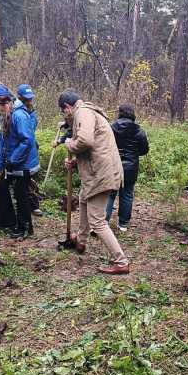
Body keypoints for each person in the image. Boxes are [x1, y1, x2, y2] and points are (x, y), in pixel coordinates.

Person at [58, 90, 130, 275]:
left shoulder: (83, 113)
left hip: (101, 174)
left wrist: (68, 143)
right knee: (83, 199)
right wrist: (76, 162)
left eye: (63, 112)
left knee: (97, 221)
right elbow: (97, 146)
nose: (65, 116)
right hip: (98, 170)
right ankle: (80, 241)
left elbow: (86, 140)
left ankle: (121, 261)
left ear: (67, 108)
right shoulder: (86, 112)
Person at [0, 84, 40, 239]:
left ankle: (25, 228)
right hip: (12, 163)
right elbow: (2, 141)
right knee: (1, 185)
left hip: (23, 164)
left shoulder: (19, 115)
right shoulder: (5, 115)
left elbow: (27, 140)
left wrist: (12, 160)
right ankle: (9, 222)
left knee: (21, 195)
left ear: (3, 102)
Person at [105, 103, 149, 231]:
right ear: (132, 114)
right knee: (127, 194)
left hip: (113, 165)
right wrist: (133, 154)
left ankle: (103, 223)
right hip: (131, 168)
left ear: (120, 113)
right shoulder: (139, 131)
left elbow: (104, 146)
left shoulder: (111, 128)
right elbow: (144, 150)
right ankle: (123, 224)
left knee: (110, 194)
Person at [15, 84, 43, 217]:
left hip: (29, 149)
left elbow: (32, 128)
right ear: (19, 97)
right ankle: (26, 207)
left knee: (28, 181)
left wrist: (31, 113)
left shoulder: (31, 111)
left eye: (30, 98)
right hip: (21, 151)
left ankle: (33, 205)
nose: (29, 101)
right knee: (21, 183)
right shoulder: (17, 112)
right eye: (26, 99)